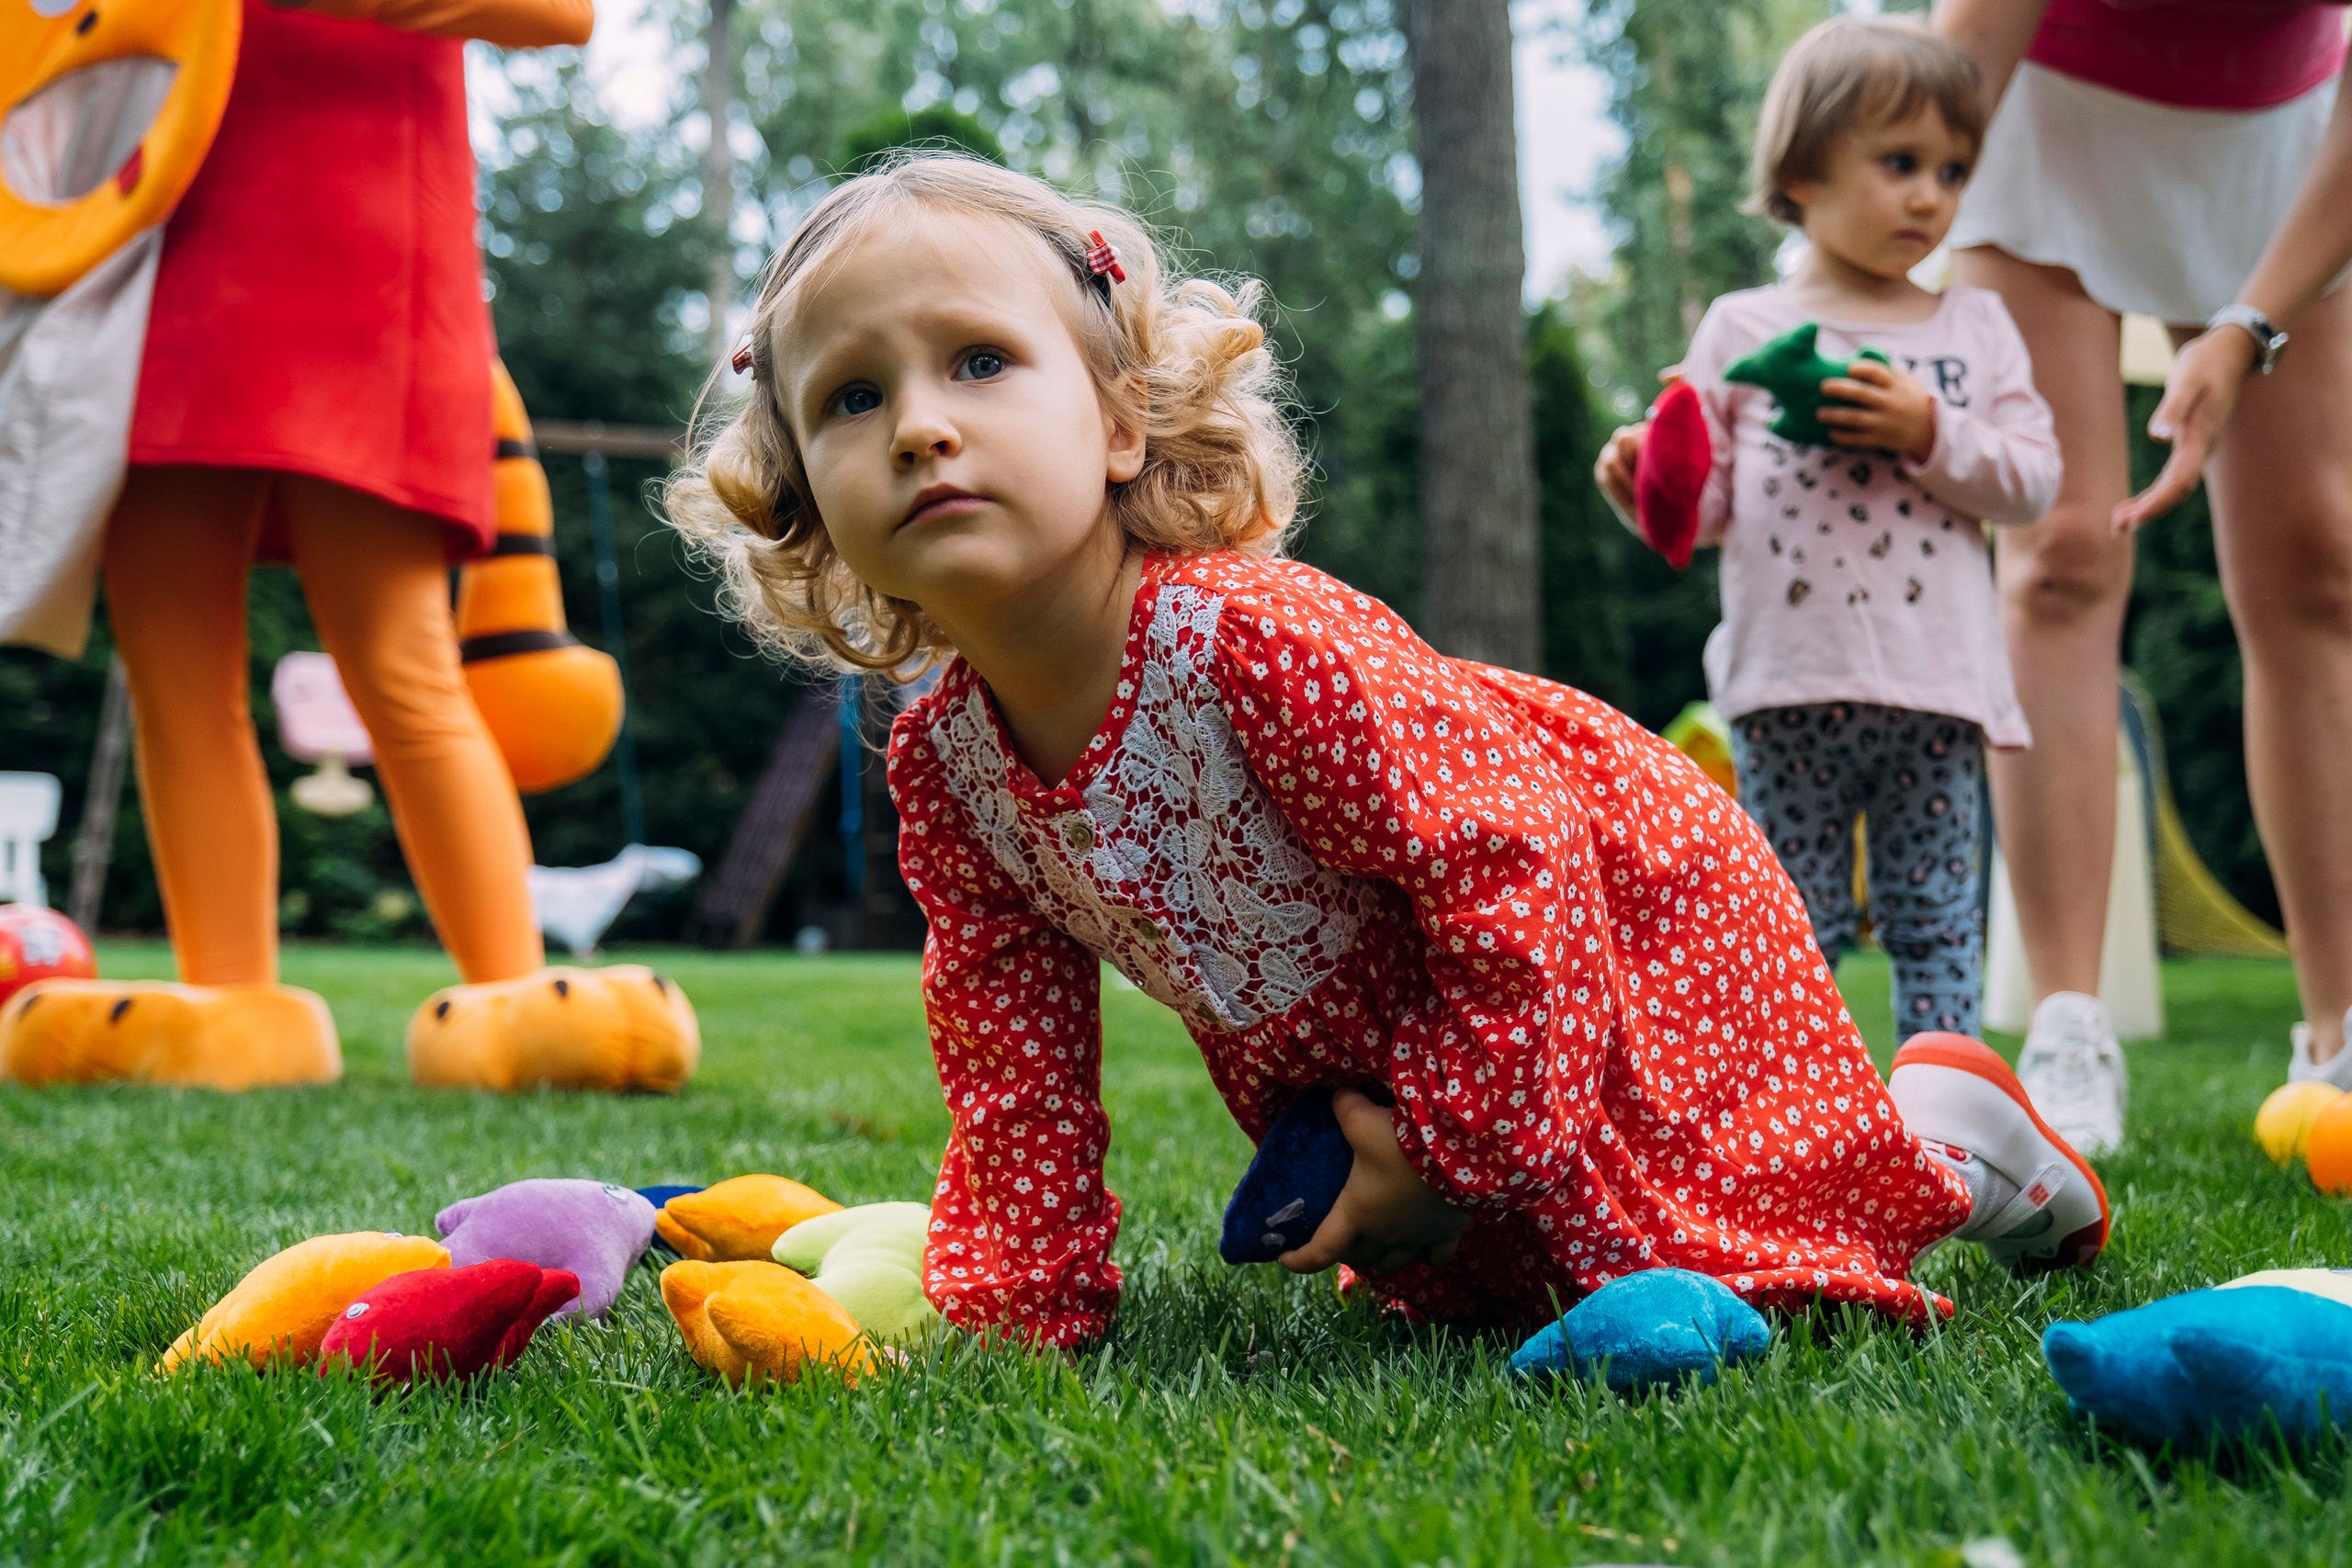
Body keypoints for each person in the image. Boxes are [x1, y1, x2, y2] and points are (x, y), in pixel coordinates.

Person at [664, 152, 2107, 1349]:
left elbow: (1513, 857)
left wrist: (1457, 1143)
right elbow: (1009, 1054)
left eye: (980, 362)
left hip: (1613, 904)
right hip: (1404, 1030)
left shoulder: (1249, 643)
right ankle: (1868, 1132)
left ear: (1115, 422)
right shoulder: (947, 761)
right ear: (801, 492)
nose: (920, 424)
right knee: (1494, 1291)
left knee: (1754, 1237)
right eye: (851, 398)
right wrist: (1022, 1299)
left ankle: (1960, 1145)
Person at [1597, 17, 2061, 1051]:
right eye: (1900, 163)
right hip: (1787, 688)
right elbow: (1707, 517)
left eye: (1952, 169)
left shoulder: (1971, 327)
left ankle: (1944, 1120)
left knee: (1935, 923)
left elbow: (2033, 483)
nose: (1931, 195)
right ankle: (1789, 1121)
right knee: (1785, 928)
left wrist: (1930, 428)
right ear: (1803, 172)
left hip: (1935, 691)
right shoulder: (1739, 328)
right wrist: (1643, 485)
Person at [1935, 0, 2352, 1151]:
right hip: (2041, 115)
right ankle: (2068, 1027)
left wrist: (2245, 328)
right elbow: (1961, 57)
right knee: (2062, 548)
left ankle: (2340, 1035)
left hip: (2287, 144)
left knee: (2319, 560)